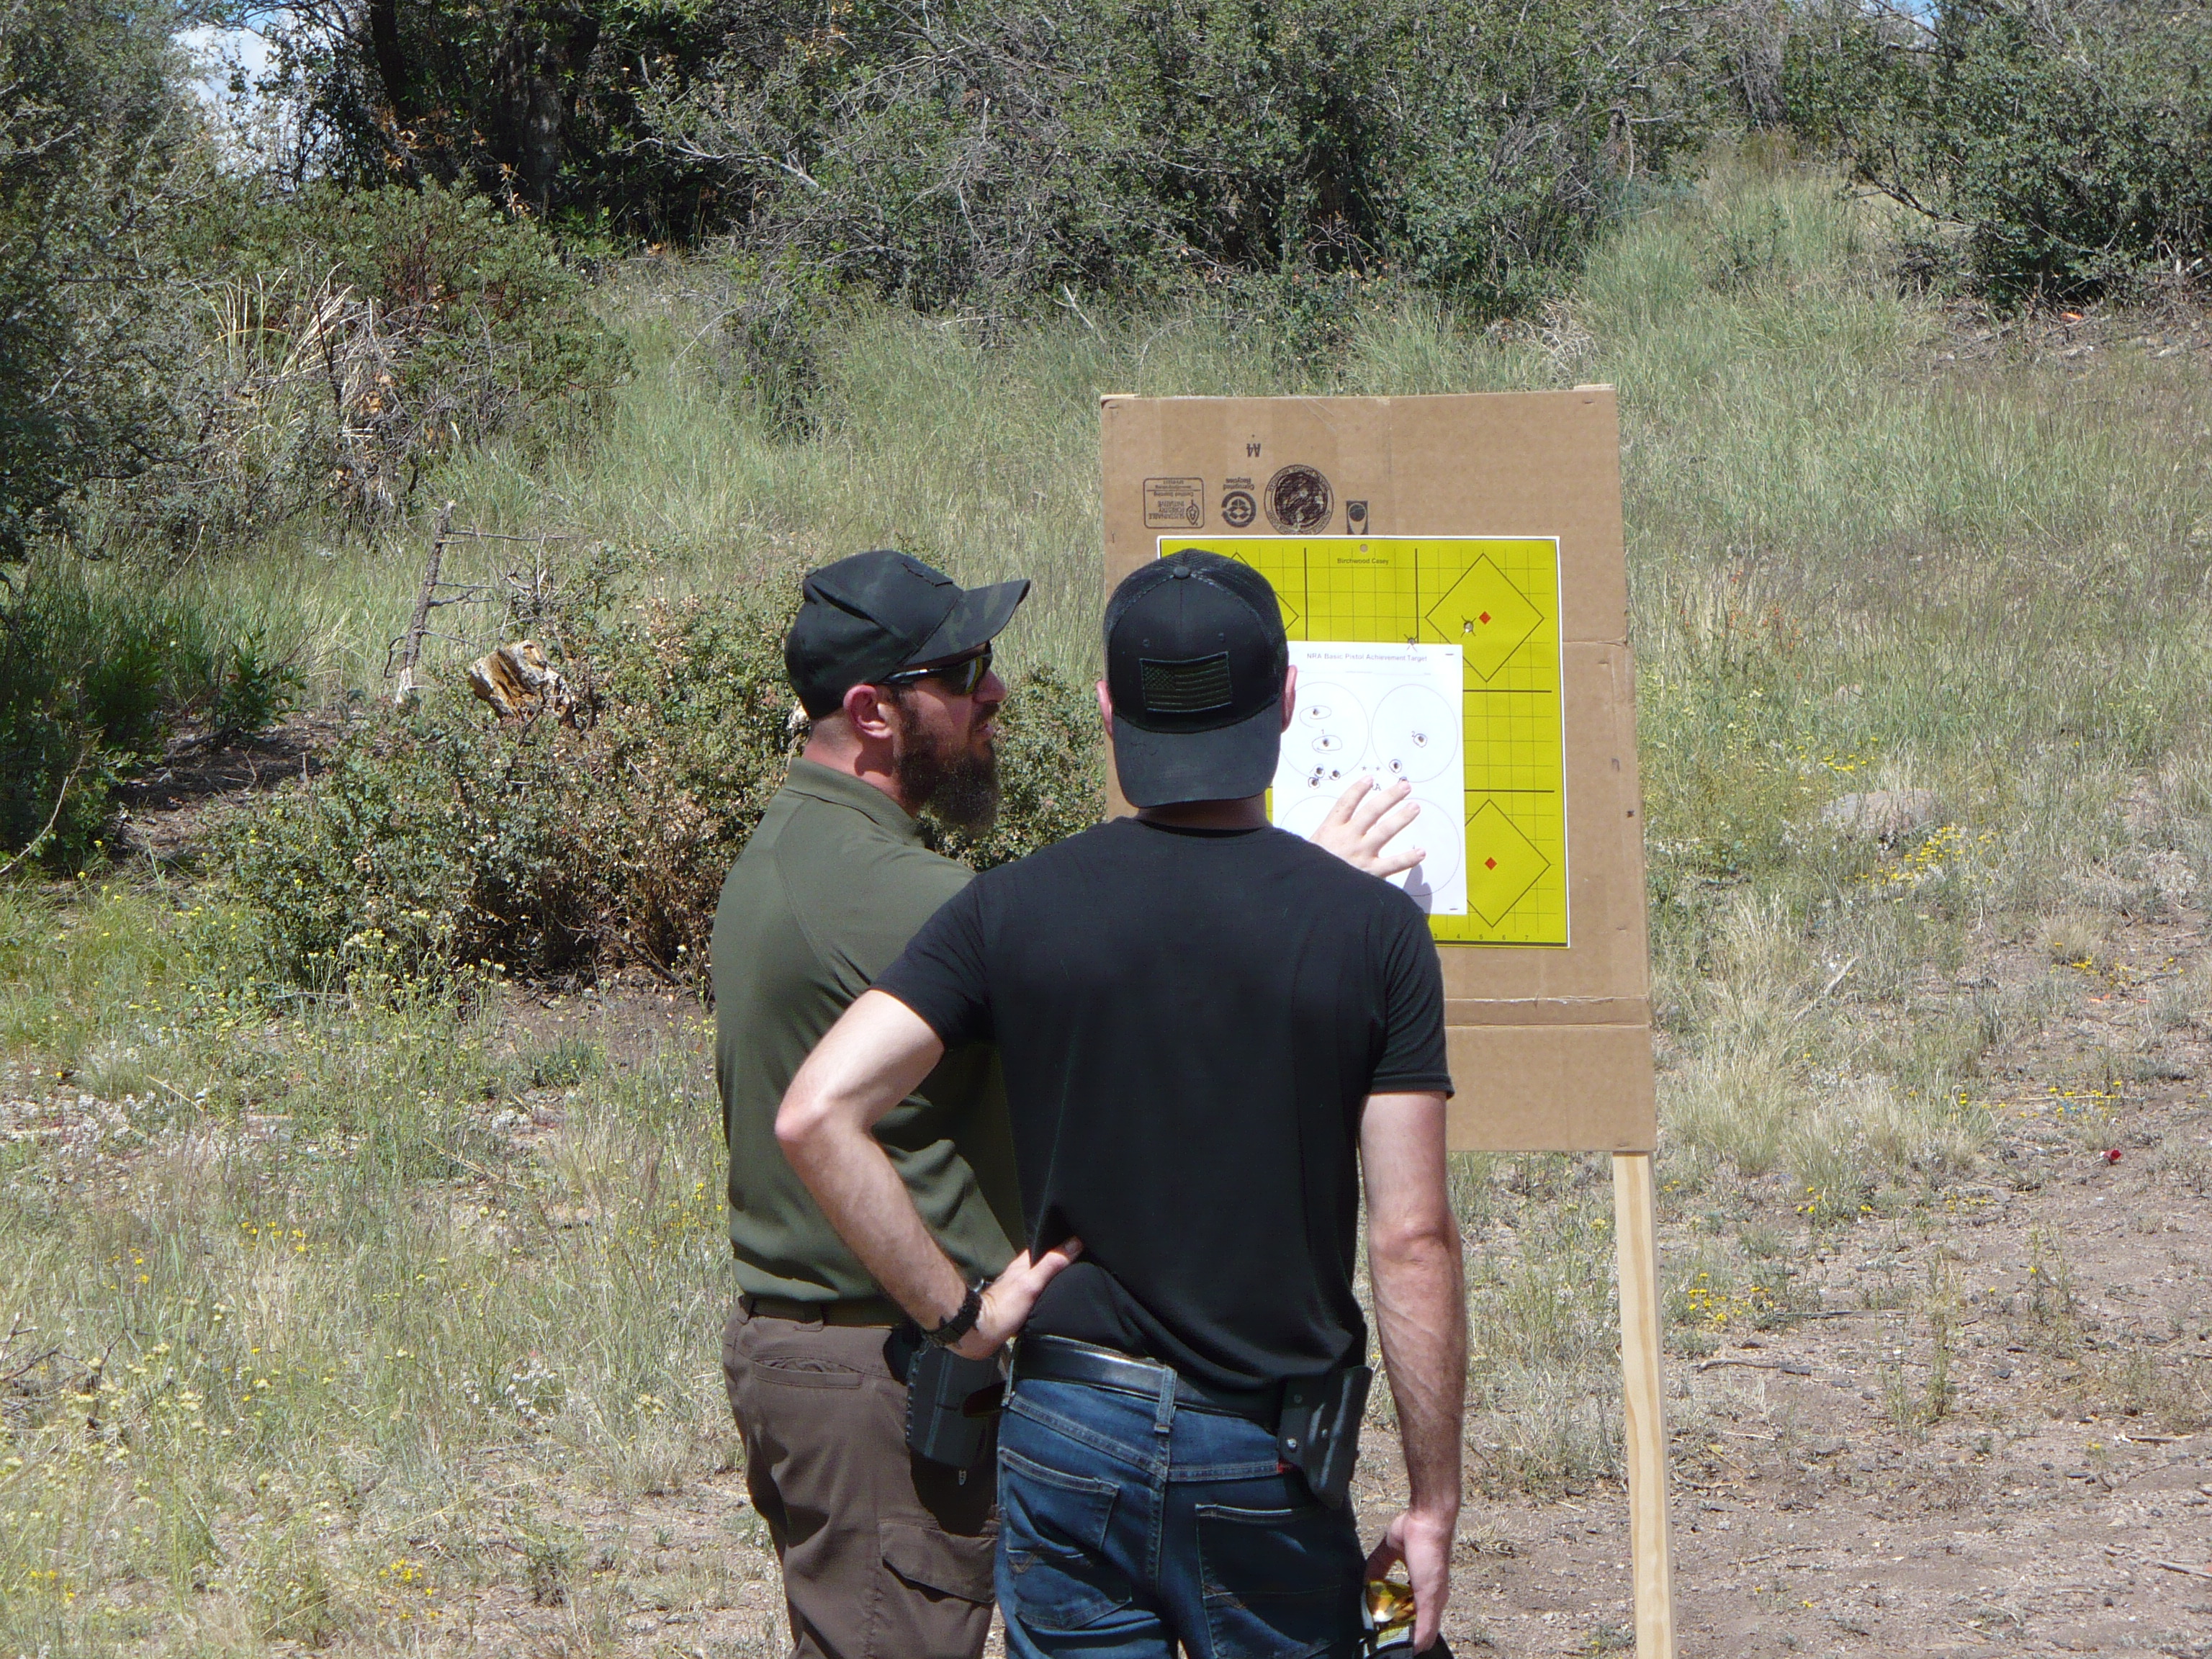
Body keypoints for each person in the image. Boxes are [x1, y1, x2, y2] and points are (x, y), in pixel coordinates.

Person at [714, 549, 1431, 1659]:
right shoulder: (911, 895)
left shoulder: (796, 851)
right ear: (871, 712)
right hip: (888, 1367)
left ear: (1111, 713)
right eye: (962, 673)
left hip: (918, 1377)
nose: (994, 691)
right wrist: (1298, 892)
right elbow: (1145, 962)